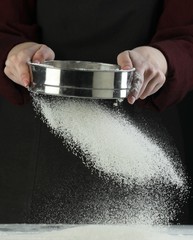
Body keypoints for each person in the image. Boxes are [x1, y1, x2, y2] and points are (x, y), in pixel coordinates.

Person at [0, 0, 193, 223]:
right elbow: (5, 26)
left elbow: (188, 34)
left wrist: (161, 58)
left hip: (139, 132)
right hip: (33, 144)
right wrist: (14, 51)